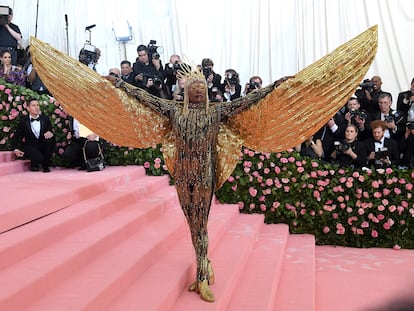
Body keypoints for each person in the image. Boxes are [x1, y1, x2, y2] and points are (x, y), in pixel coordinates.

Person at [107, 65, 291, 302]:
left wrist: (275, 86)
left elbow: (247, 101)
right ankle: (205, 264)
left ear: (206, 90)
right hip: (183, 174)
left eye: (201, 88)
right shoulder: (174, 110)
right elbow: (146, 99)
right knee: (192, 223)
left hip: (205, 175)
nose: (197, 91)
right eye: (193, 87)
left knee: (201, 224)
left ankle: (202, 276)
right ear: (186, 90)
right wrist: (121, 84)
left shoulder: (216, 112)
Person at [12, 98, 54, 172]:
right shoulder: (23, 121)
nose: (36, 107)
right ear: (28, 108)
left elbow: (50, 131)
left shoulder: (45, 119)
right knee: (39, 157)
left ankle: (45, 166)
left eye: (37, 105)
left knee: (49, 140)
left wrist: (50, 133)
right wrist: (15, 149)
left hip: (43, 145)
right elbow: (16, 136)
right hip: (30, 146)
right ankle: (34, 162)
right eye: (33, 105)